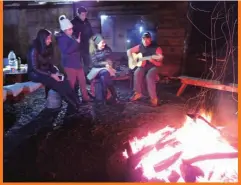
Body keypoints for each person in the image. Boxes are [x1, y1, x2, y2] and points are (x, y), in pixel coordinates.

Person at [27, 28, 82, 115]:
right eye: (48, 38)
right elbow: (34, 68)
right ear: (42, 39)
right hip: (35, 74)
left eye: (50, 38)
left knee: (64, 80)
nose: (50, 40)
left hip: (46, 72)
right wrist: (51, 75)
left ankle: (77, 103)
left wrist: (56, 71)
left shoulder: (47, 48)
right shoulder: (34, 49)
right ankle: (74, 105)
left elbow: (50, 64)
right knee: (56, 83)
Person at [56, 15, 90, 103]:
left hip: (77, 63)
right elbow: (66, 51)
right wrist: (76, 43)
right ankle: (70, 98)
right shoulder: (62, 39)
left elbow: (76, 47)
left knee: (82, 81)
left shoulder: (71, 36)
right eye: (69, 29)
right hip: (70, 64)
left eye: (71, 29)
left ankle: (85, 97)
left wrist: (77, 43)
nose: (71, 30)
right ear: (65, 30)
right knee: (71, 83)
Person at [127, 32, 164, 106]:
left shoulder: (156, 48)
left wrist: (153, 60)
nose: (145, 41)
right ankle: (138, 93)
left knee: (149, 76)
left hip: (153, 67)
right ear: (142, 39)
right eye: (144, 39)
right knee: (137, 73)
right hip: (143, 66)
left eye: (147, 40)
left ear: (150, 39)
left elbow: (160, 62)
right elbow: (129, 51)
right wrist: (132, 59)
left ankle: (153, 98)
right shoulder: (140, 46)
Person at [87, 34, 118, 105]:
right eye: (102, 42)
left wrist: (108, 62)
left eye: (104, 42)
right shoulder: (93, 51)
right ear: (97, 43)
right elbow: (94, 63)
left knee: (104, 75)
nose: (104, 44)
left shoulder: (107, 49)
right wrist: (104, 63)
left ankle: (104, 97)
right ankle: (113, 94)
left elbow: (110, 57)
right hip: (96, 69)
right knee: (104, 74)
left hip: (106, 69)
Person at [71, 6, 93, 75]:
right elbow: (70, 34)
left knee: (87, 63)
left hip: (86, 47)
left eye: (85, 15)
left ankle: (86, 78)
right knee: (78, 65)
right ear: (78, 14)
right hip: (77, 48)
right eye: (82, 15)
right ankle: (78, 80)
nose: (84, 17)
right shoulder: (73, 23)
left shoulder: (87, 22)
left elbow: (91, 33)